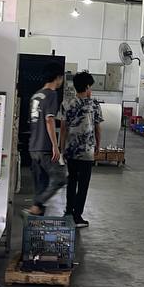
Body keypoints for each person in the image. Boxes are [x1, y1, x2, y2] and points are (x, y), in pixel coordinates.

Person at [60, 71, 102, 228]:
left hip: (71, 150)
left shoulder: (67, 103)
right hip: (87, 152)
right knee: (83, 185)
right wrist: (98, 145)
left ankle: (68, 212)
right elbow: (97, 128)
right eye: (90, 86)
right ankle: (77, 217)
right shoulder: (94, 104)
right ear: (87, 86)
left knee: (71, 181)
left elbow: (63, 128)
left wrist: (62, 148)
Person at [27, 64, 67, 216]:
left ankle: (37, 213)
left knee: (41, 184)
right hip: (45, 146)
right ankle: (36, 205)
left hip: (33, 147)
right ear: (58, 78)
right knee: (60, 178)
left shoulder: (36, 95)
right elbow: (49, 120)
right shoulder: (51, 94)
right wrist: (55, 146)